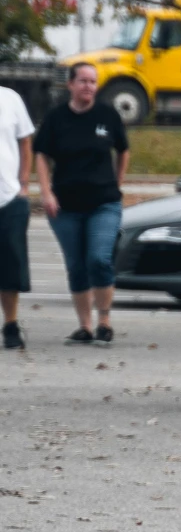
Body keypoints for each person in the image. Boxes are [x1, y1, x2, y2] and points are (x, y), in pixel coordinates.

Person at [33, 62, 129, 344]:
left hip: (104, 202)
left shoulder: (107, 115)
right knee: (76, 265)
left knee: (99, 259)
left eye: (93, 82)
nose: (88, 87)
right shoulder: (56, 118)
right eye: (83, 81)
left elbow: (123, 150)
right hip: (66, 207)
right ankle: (85, 326)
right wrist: (46, 191)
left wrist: (118, 182)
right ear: (71, 85)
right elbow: (41, 154)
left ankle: (105, 320)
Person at [0, 82, 35, 350]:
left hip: (8, 197)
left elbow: (25, 141)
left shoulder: (10, 98)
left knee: (10, 267)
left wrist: (23, 183)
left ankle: (10, 324)